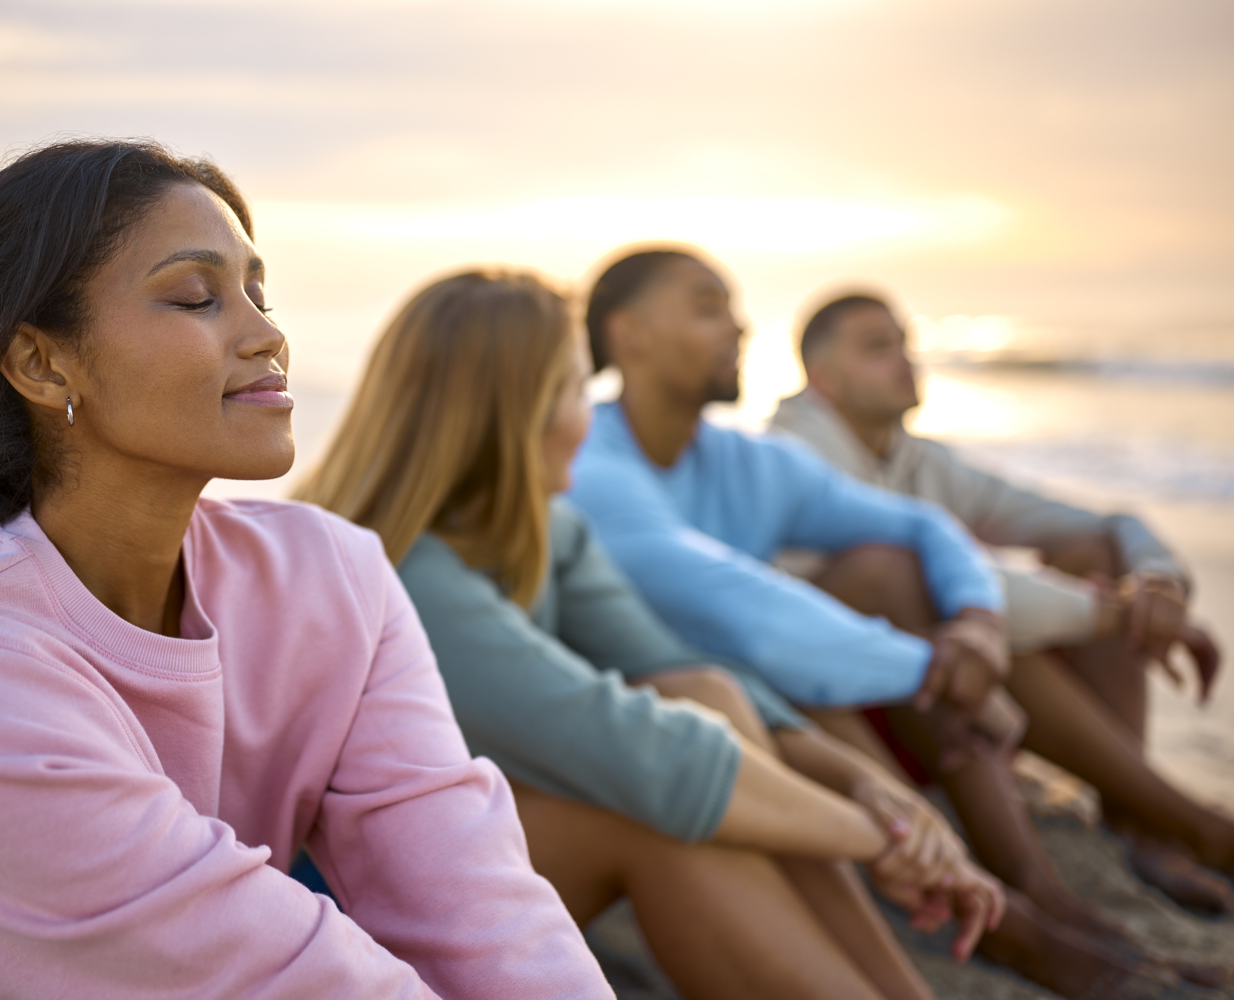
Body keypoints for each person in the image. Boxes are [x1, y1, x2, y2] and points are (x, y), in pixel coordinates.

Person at [0, 140, 611, 999]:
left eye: (258, 292)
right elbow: (295, 983)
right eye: (196, 297)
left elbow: (477, 905)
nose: (268, 334)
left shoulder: (334, 577)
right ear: (40, 362)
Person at [299, 267, 1014, 1000]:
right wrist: (881, 838)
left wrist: (875, 791)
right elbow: (626, 746)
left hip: (456, 850)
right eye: (578, 391)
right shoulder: (406, 569)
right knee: (658, 821)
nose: (591, 419)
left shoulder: (551, 533)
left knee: (702, 691)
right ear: (512, 414)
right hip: (344, 908)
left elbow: (680, 669)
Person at [566, 246, 1222, 996]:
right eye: (709, 306)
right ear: (629, 334)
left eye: (737, 308)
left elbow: (922, 525)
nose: (741, 327)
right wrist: (941, 671)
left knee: (879, 580)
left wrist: (976, 625)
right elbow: (743, 612)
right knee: (770, 667)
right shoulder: (590, 461)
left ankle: (1041, 889)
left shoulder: (745, 462)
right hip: (669, 734)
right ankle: (1022, 912)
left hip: (789, 714)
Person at [769, 291, 1233, 916]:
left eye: (905, 342)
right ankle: (1171, 832)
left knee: (1090, 550)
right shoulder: (792, 456)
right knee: (936, 599)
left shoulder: (917, 460)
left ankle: (1142, 821)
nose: (906, 361)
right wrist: (1115, 613)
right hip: (850, 727)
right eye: (878, 348)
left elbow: (1096, 522)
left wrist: (1158, 582)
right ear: (821, 379)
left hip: (942, 699)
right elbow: (939, 592)